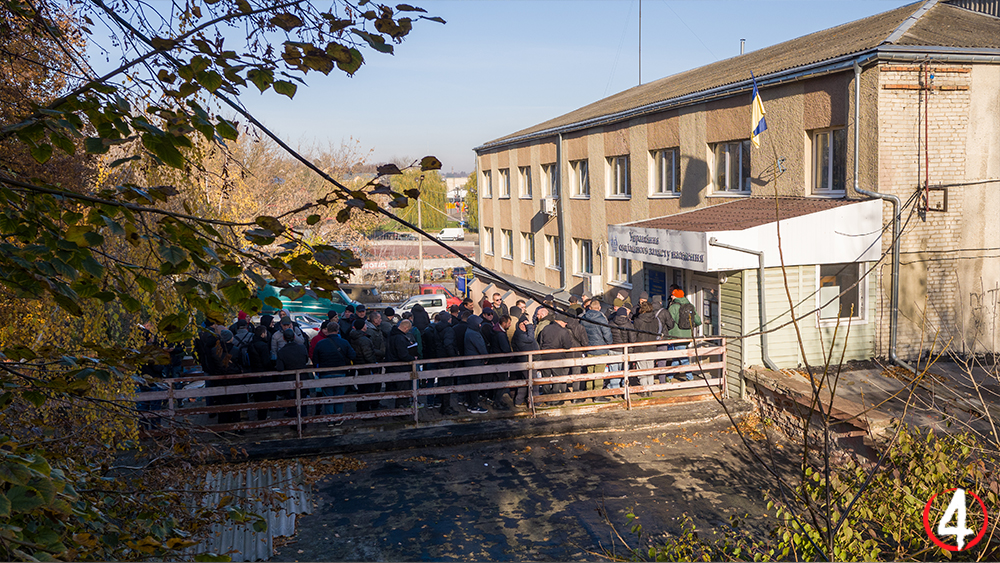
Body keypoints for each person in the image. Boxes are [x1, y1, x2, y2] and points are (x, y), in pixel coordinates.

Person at [312, 321, 356, 415]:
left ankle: (330, 418)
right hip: (340, 373)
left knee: (328, 398)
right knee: (339, 396)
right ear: (337, 330)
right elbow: (352, 355)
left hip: (325, 373)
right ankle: (338, 417)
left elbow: (315, 360)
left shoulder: (320, 344)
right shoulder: (344, 342)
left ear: (327, 330)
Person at [665, 287, 703, 381]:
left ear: (676, 296)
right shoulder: (690, 306)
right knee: (678, 357)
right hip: (688, 335)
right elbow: (698, 321)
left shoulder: (673, 307)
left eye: (672, 295)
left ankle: (689, 378)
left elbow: (669, 323)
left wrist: (668, 337)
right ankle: (669, 377)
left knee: (682, 358)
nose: (671, 296)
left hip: (677, 336)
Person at [536, 313, 573, 404]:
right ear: (560, 322)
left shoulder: (545, 329)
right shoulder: (563, 332)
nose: (566, 324)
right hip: (557, 357)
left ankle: (547, 399)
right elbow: (567, 346)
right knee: (557, 378)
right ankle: (555, 398)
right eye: (564, 322)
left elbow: (540, 342)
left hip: (545, 356)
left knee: (546, 378)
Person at [582, 298, 613, 402]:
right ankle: (597, 395)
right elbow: (607, 334)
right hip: (601, 349)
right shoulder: (602, 319)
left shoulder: (584, 318)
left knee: (590, 372)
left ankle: (589, 392)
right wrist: (609, 344)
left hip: (589, 349)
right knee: (599, 373)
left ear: (590, 308)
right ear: (599, 308)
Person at [275, 327, 310, 418]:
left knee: (292, 401)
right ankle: (303, 421)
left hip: (289, 380)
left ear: (283, 338)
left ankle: (295, 421)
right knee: (302, 401)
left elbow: (280, 368)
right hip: (302, 378)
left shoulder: (282, 352)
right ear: (294, 337)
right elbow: (306, 360)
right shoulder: (302, 348)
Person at [350, 317, 381, 412]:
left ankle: (360, 408)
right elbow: (368, 355)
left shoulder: (353, 337)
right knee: (368, 389)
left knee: (362, 389)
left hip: (359, 366)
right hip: (366, 367)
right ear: (363, 327)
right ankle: (365, 411)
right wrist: (375, 369)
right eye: (365, 324)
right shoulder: (364, 340)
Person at [432, 311, 459, 415]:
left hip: (440, 358)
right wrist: (453, 357)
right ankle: (446, 407)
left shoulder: (436, 328)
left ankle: (444, 405)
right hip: (447, 360)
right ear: (449, 319)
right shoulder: (448, 330)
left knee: (442, 382)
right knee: (447, 383)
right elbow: (448, 344)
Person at [386, 318, 416, 408]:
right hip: (400, 367)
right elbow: (403, 355)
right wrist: (412, 358)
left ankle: (401, 409)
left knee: (399, 390)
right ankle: (401, 411)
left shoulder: (392, 334)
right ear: (406, 328)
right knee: (403, 391)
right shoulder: (400, 338)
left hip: (393, 366)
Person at [247, 324, 275, 421]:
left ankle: (259, 415)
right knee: (264, 396)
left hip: (254, 372)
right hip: (263, 374)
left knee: (257, 396)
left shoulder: (251, 344)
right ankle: (262, 417)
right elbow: (266, 361)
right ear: (262, 334)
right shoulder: (263, 346)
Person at [510, 314, 538, 409]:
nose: (524, 326)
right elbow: (530, 339)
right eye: (522, 324)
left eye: (525, 324)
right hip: (525, 362)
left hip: (529, 361)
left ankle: (519, 401)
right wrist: (530, 327)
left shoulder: (524, 334)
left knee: (525, 382)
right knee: (533, 382)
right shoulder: (519, 335)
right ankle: (536, 402)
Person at [462, 315, 489, 413]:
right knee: (475, 384)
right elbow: (481, 347)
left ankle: (470, 402)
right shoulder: (474, 334)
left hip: (470, 362)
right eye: (479, 323)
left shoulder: (468, 331)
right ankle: (474, 405)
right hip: (476, 363)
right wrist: (486, 357)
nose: (480, 325)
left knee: (471, 383)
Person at [632, 301, 660, 395]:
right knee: (650, 369)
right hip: (652, 346)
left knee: (642, 369)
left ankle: (644, 389)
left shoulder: (637, 320)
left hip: (640, 347)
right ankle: (650, 389)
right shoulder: (655, 320)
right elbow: (657, 331)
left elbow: (634, 335)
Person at [608, 300, 635, 391]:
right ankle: (624, 388)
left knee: (614, 371)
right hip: (625, 350)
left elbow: (608, 336)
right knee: (624, 370)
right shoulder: (629, 324)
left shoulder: (611, 323)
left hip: (613, 348)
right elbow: (632, 339)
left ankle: (615, 390)